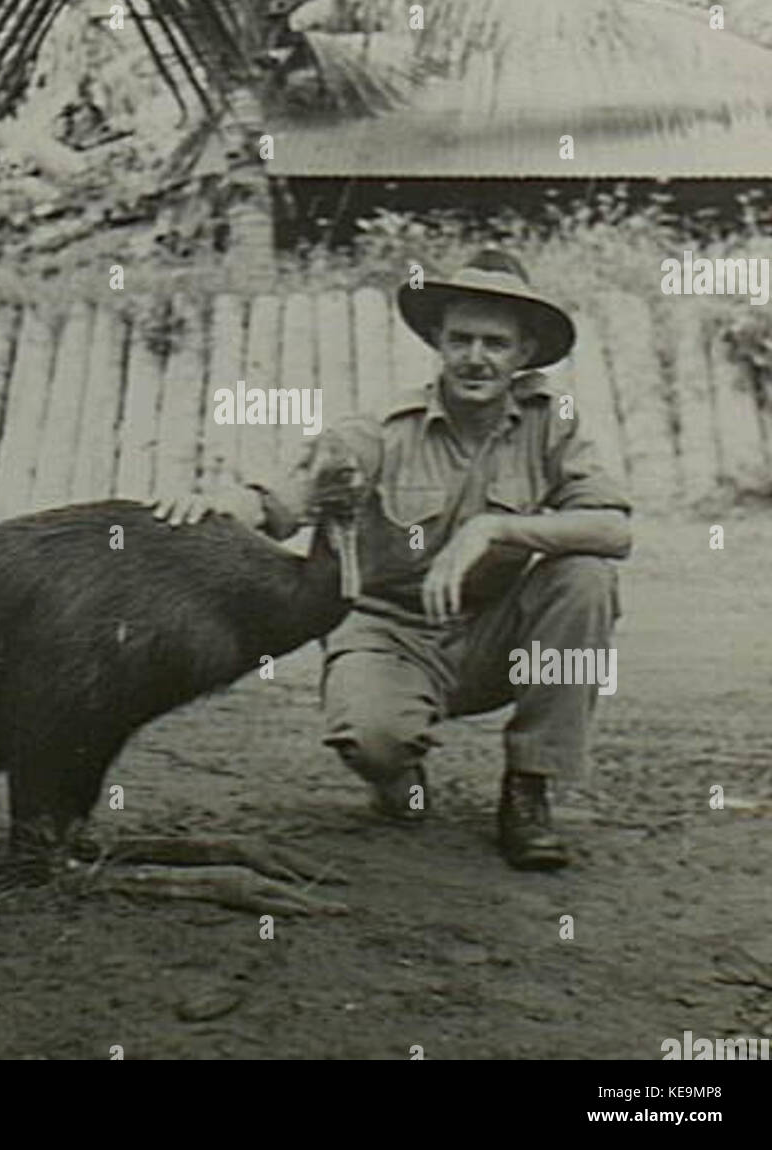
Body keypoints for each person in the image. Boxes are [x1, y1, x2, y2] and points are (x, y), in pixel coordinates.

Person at [152, 248, 632, 870]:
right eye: (461, 339)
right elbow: (288, 497)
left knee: (585, 576)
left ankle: (529, 789)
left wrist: (497, 529)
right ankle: (396, 771)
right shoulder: (380, 428)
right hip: (388, 632)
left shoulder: (550, 425)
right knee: (374, 740)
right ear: (436, 340)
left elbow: (614, 530)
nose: (476, 358)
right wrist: (214, 506)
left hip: (493, 633)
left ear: (523, 354)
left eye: (495, 343)